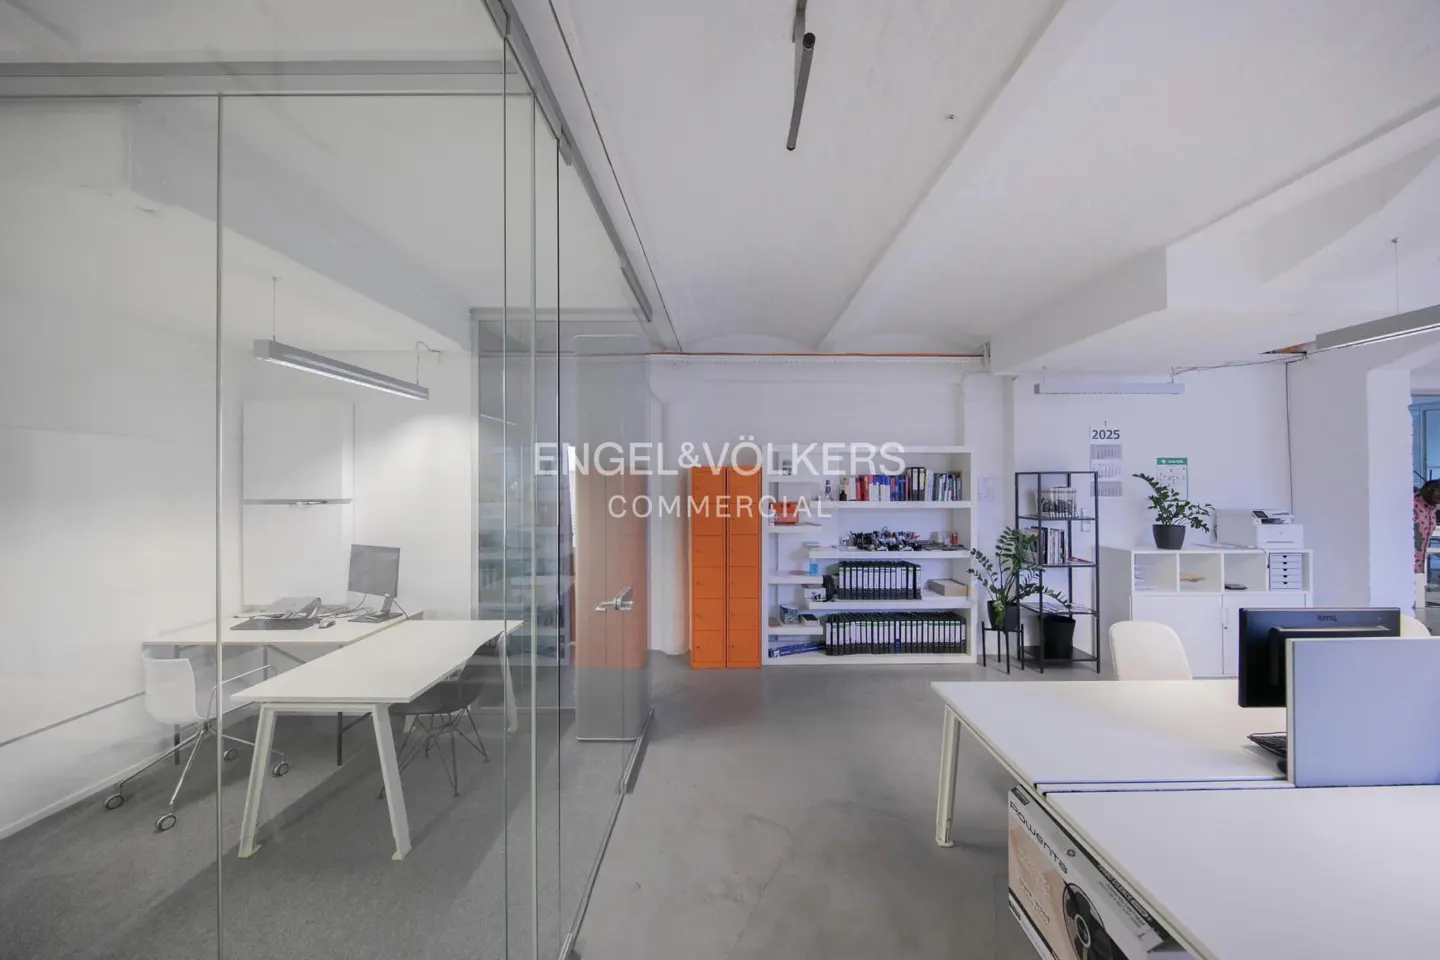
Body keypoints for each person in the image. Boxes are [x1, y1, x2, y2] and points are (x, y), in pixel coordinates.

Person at [1414, 481, 1440, 608]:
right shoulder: (1413, 504)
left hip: (1420, 561)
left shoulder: (1432, 509)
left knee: (1417, 597)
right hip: (1406, 560)